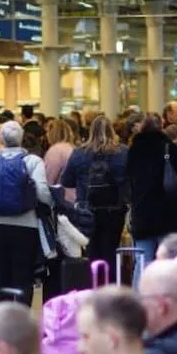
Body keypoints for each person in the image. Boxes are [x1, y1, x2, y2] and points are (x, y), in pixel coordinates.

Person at [0, 121, 53, 306]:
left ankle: (1, 322)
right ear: (21, 139)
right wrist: (50, 205)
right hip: (25, 225)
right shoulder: (32, 161)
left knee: (1, 277)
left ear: (1, 140)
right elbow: (42, 192)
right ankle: (22, 322)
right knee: (23, 277)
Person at [61, 115, 131, 272]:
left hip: (87, 209)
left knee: (92, 250)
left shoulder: (79, 153)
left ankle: (93, 286)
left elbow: (66, 181)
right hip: (115, 209)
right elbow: (130, 179)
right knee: (111, 249)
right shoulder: (123, 152)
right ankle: (110, 286)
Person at [126, 114, 177, 286]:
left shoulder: (133, 150)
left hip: (142, 214)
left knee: (142, 261)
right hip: (167, 214)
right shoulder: (169, 148)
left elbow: (127, 181)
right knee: (169, 260)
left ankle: (139, 302)